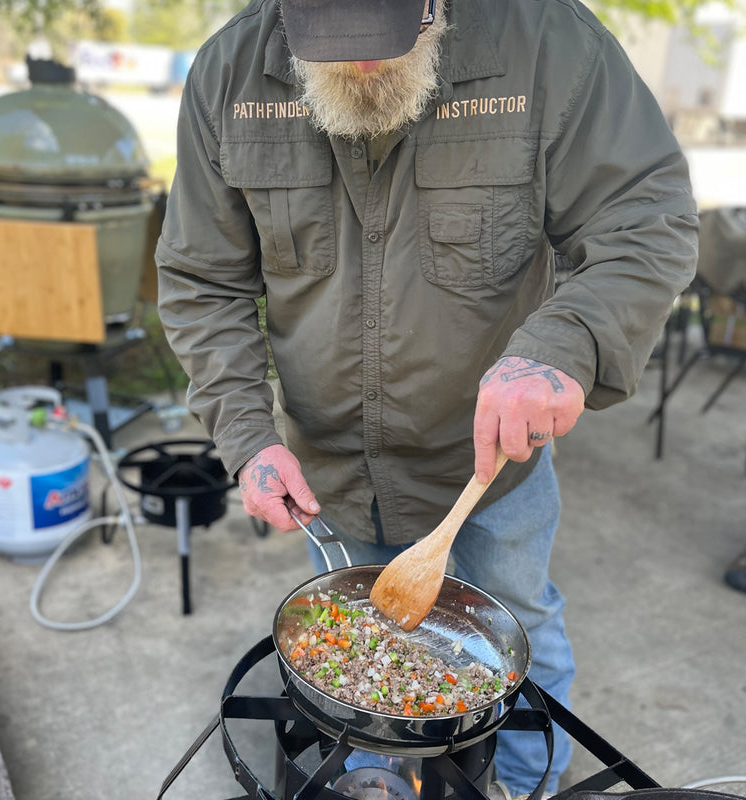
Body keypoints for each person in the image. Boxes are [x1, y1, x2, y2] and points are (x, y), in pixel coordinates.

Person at [155, 0, 698, 794]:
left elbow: (646, 222)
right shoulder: (227, 73)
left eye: (382, 34)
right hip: (327, 473)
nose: (361, 63)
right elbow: (204, 281)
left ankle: (520, 779)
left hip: (487, 467)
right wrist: (247, 435)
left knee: (520, 624)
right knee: (359, 649)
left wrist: (564, 346)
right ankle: (377, 773)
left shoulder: (547, 44)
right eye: (331, 42)